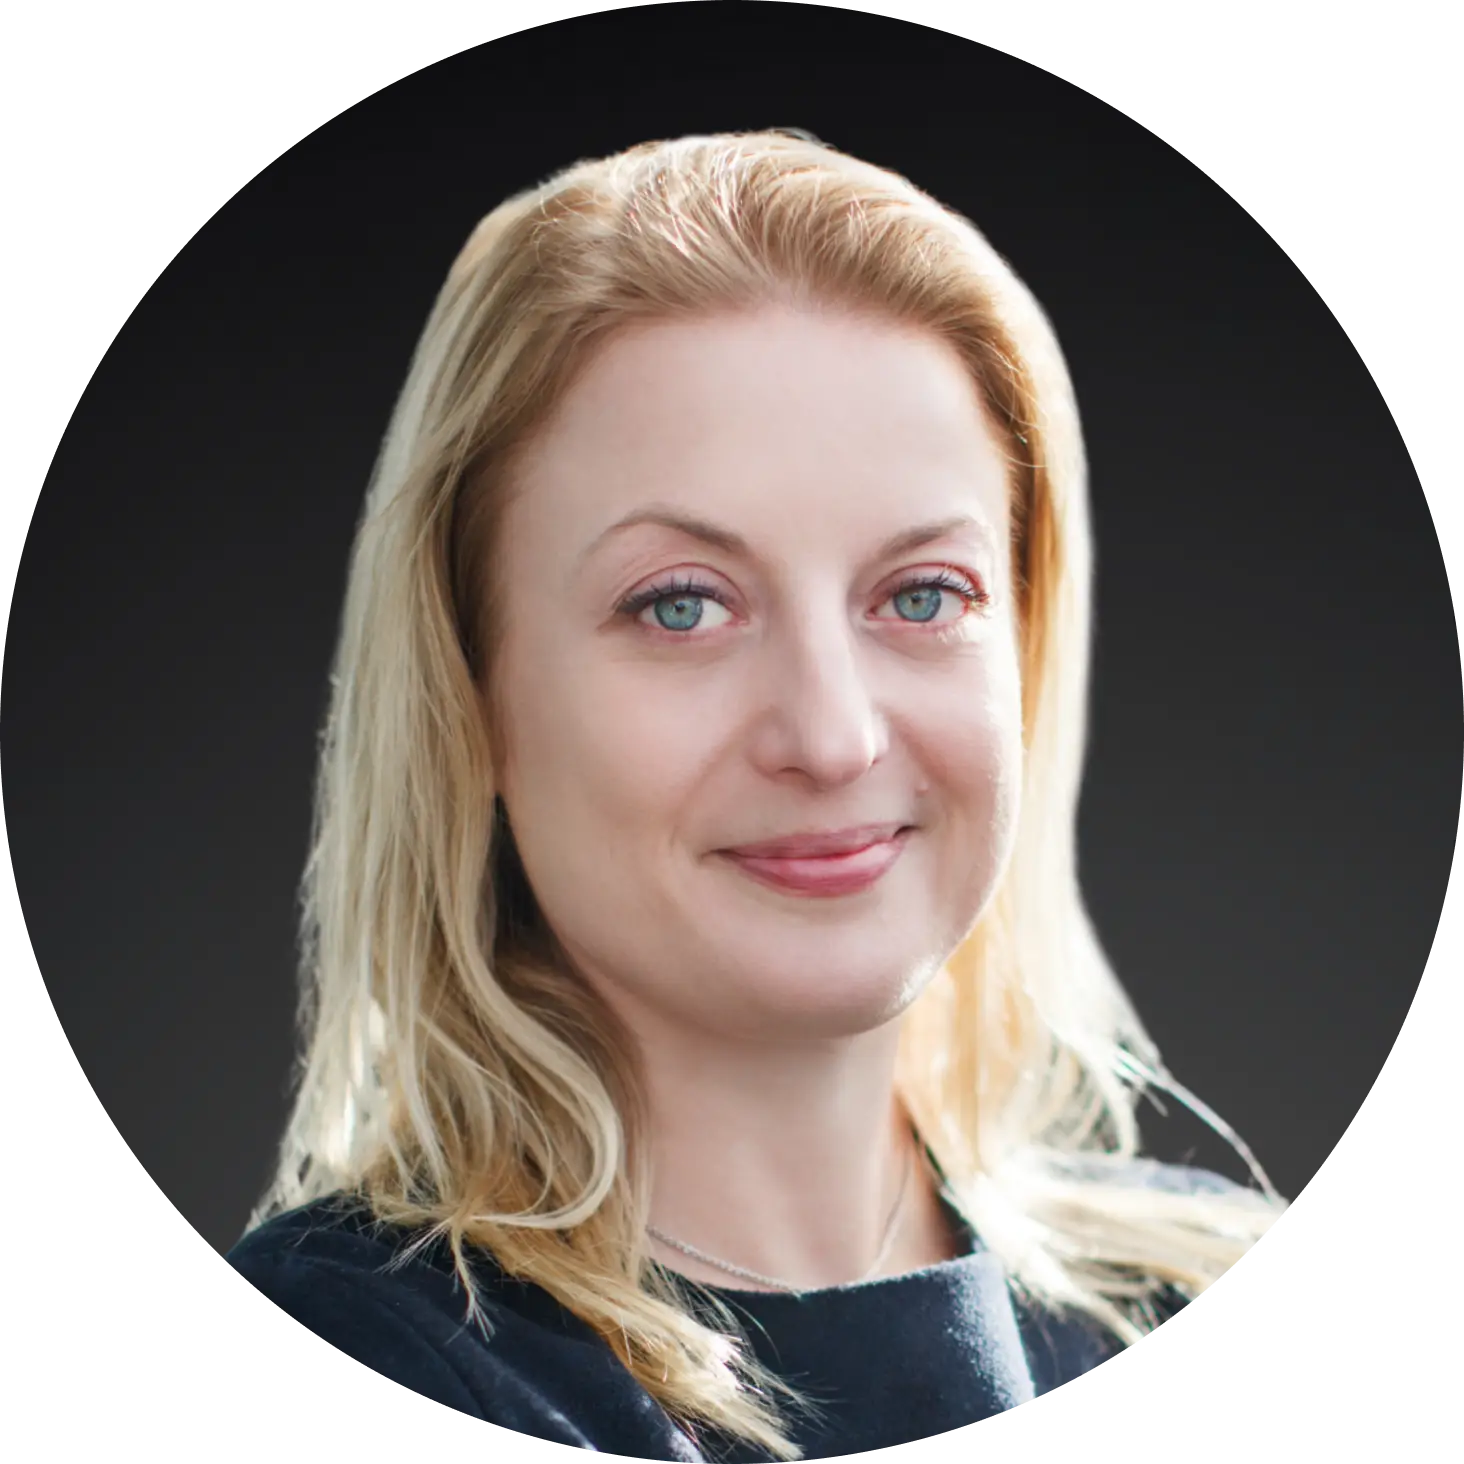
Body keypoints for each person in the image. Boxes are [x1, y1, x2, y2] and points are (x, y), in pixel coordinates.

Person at [223, 128, 1288, 1460]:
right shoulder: (375, 1344)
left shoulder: (1201, 1273)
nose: (833, 738)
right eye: (682, 606)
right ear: (470, 690)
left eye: (920, 595)